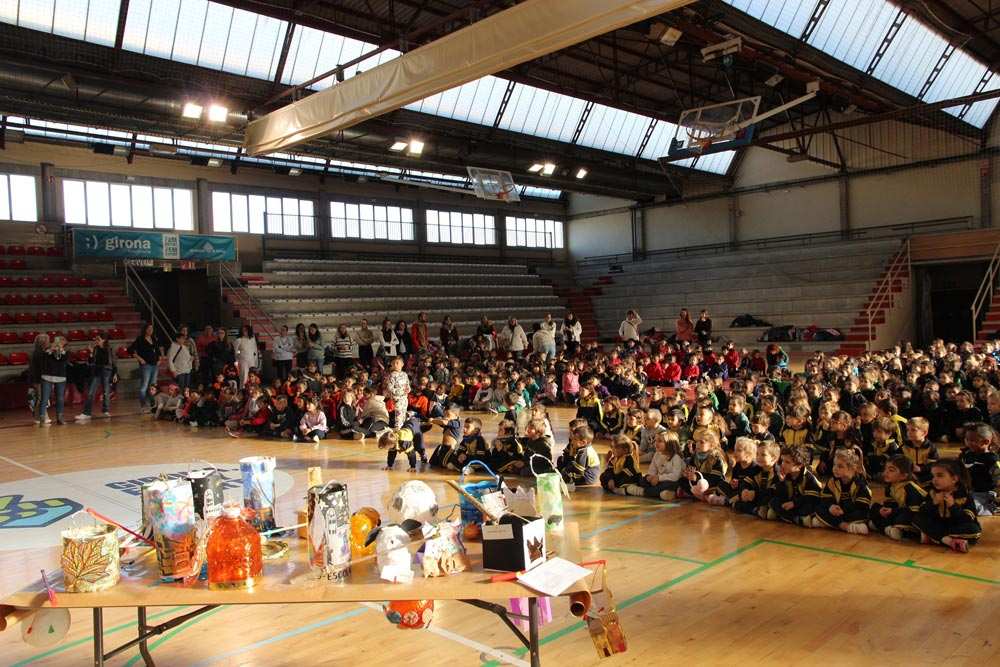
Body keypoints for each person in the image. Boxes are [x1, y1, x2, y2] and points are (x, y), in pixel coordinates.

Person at [913, 459, 982, 553]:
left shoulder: (964, 495)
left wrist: (953, 506)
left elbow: (968, 519)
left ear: (954, 479)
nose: (934, 480)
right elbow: (923, 512)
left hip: (955, 526)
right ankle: (948, 541)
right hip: (937, 524)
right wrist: (934, 503)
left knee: (974, 530)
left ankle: (934, 537)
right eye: (933, 476)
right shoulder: (932, 492)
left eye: (940, 475)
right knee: (916, 519)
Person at [809, 449, 872, 534]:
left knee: (864, 514)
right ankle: (846, 526)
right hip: (836, 512)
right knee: (818, 507)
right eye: (834, 465)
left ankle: (829, 523)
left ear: (852, 468)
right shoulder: (832, 481)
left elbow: (862, 506)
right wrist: (831, 506)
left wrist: (843, 510)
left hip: (851, 513)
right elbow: (825, 499)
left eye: (840, 466)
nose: (835, 468)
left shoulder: (861, 484)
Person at [868, 455, 926, 540]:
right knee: (875, 507)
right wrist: (884, 510)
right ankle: (889, 528)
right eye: (885, 469)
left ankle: (898, 531)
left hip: (918, 514)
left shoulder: (910, 488)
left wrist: (893, 511)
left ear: (903, 476)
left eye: (891, 470)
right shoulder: (892, 486)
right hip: (902, 510)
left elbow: (914, 510)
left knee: (903, 518)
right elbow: (893, 503)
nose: (885, 472)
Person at [625, 431, 685, 500]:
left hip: (673, 481)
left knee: (669, 484)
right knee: (642, 480)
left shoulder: (676, 457)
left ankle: (642, 492)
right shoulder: (657, 454)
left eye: (660, 441)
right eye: (655, 440)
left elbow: (675, 476)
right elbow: (652, 470)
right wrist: (650, 477)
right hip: (659, 480)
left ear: (669, 443)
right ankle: (665, 493)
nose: (656, 443)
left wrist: (659, 478)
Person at [76, 332, 117, 421]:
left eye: (99, 339)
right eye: (96, 339)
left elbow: (113, 362)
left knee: (106, 392)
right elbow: (91, 362)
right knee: (91, 393)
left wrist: (115, 374)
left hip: (106, 372)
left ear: (104, 340)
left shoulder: (109, 349)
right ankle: (86, 413)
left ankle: (105, 410)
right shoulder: (96, 349)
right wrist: (91, 353)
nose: (97, 341)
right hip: (97, 372)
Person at [128, 323, 160, 413]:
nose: (150, 330)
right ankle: (143, 406)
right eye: (149, 329)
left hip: (154, 365)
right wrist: (140, 358)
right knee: (144, 386)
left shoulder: (154, 339)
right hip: (146, 366)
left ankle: (153, 405)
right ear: (145, 329)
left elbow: (157, 351)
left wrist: (159, 359)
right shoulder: (140, 339)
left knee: (153, 387)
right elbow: (130, 349)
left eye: (152, 329)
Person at [37, 335, 68, 425]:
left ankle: (60, 418)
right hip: (47, 376)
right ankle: (42, 418)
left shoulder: (66, 352)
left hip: (60, 377)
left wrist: (61, 350)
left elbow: (64, 360)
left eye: (61, 341)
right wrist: (51, 350)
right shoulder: (47, 351)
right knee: (44, 398)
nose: (58, 343)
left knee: (60, 398)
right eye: (57, 341)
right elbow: (42, 360)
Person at [28, 333, 49, 420]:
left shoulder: (37, 351)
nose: (49, 343)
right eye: (47, 341)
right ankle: (39, 417)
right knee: (40, 398)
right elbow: (42, 368)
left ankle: (42, 416)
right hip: (38, 378)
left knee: (40, 397)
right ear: (43, 343)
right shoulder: (40, 353)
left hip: (37, 378)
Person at [385, 356, 411, 429]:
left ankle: (403, 430)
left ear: (402, 364)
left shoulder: (404, 374)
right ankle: (398, 430)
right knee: (398, 416)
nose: (395, 365)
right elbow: (389, 387)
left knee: (403, 415)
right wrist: (399, 392)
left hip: (404, 398)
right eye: (393, 363)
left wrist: (408, 389)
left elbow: (408, 384)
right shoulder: (392, 375)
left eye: (397, 363)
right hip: (397, 399)